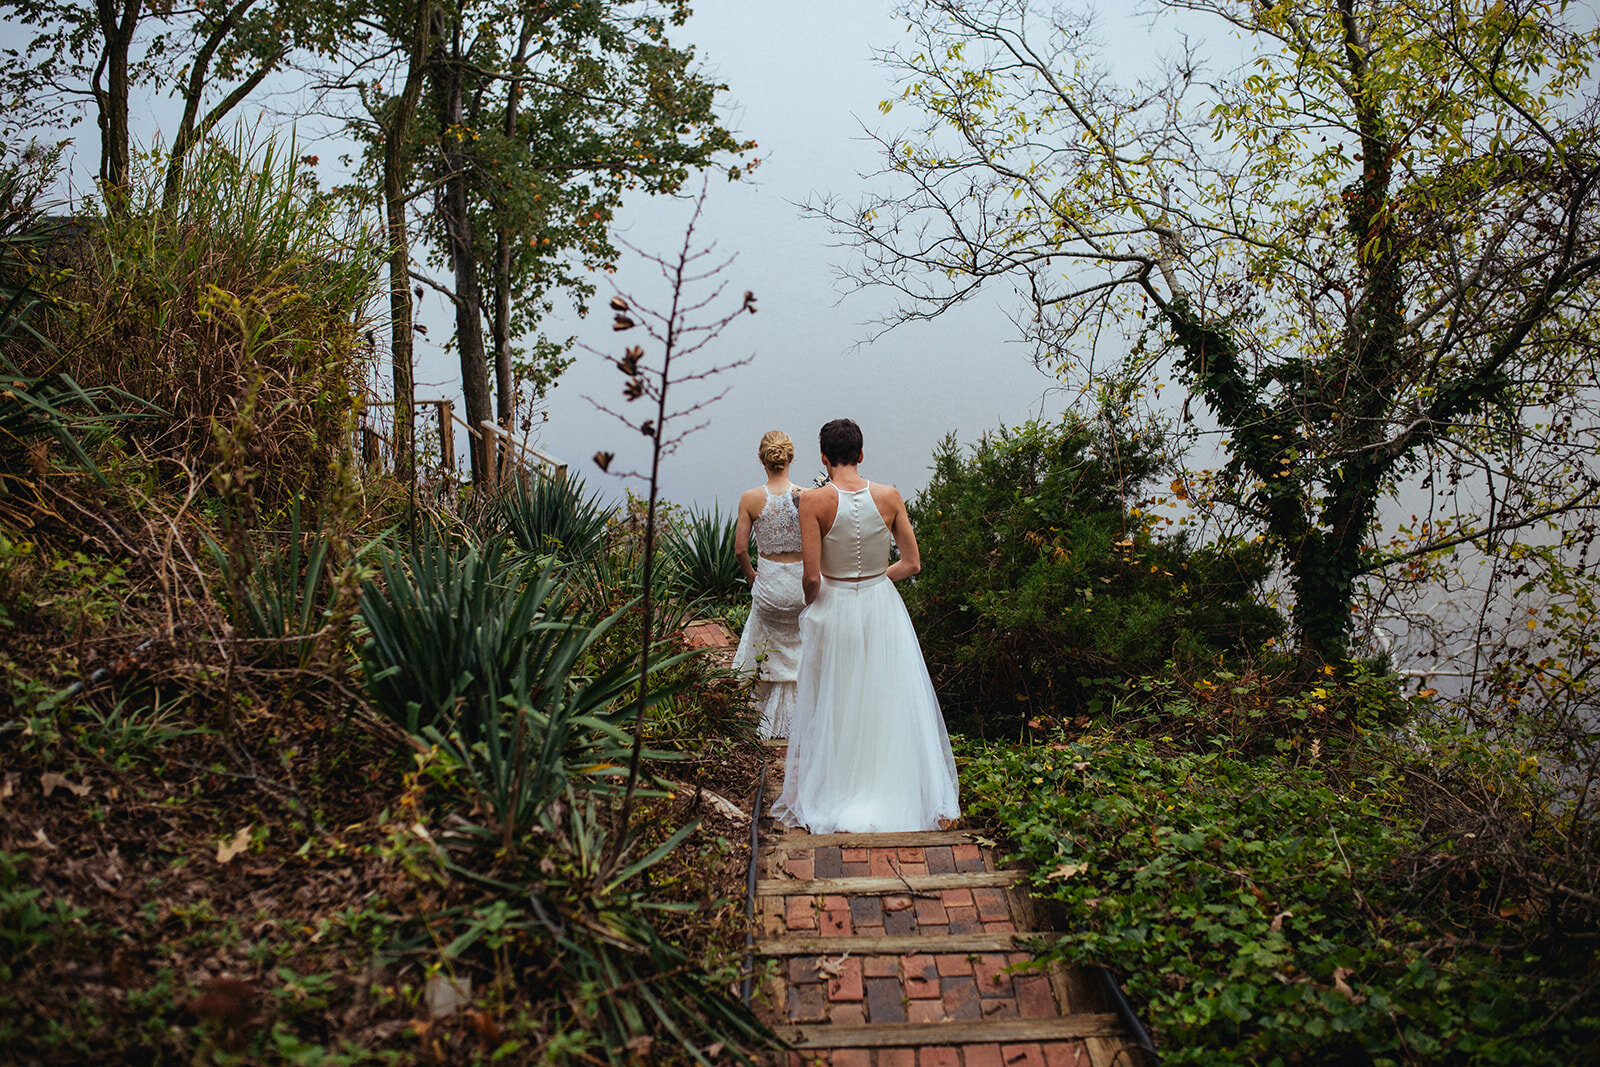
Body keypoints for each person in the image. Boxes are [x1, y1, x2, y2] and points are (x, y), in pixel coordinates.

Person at [771, 419, 960, 833]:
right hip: (882, 606)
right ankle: (888, 788)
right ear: (860, 454)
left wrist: (812, 603)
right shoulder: (889, 496)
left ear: (823, 457)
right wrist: (876, 580)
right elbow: (912, 563)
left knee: (836, 699)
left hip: (834, 607)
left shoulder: (812, 502)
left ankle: (841, 788)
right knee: (883, 696)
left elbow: (811, 577)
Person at [731, 430, 806, 738]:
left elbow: (739, 550)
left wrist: (753, 578)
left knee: (763, 643)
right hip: (802, 587)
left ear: (762, 460)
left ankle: (761, 717)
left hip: (770, 587)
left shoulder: (751, 498)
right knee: (802, 645)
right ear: (791, 459)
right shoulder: (806, 496)